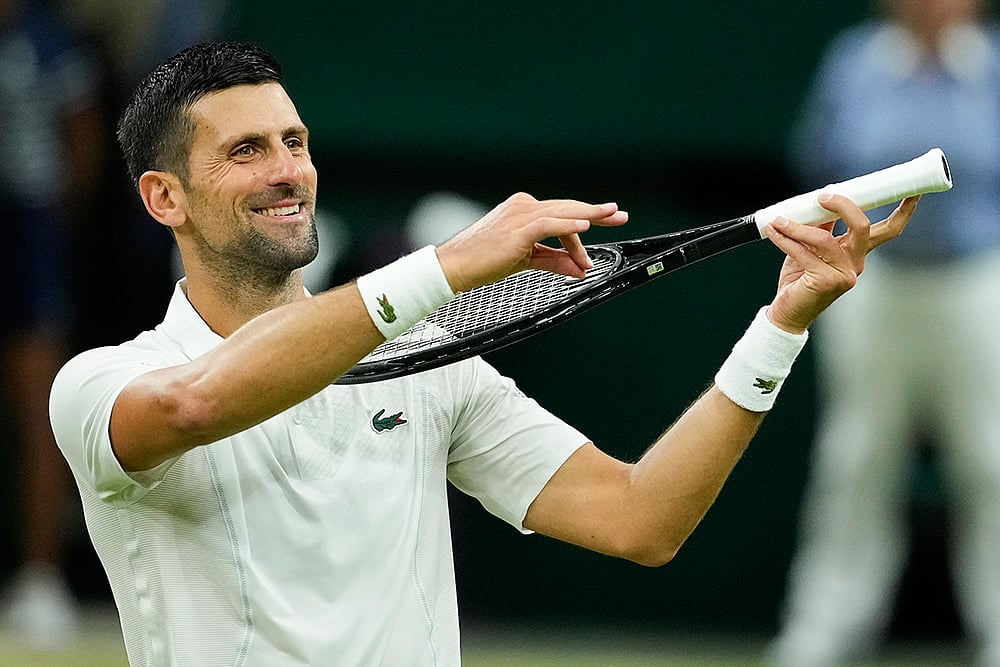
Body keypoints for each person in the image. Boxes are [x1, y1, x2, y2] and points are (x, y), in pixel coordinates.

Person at [48, 41, 916, 666]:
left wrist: (781, 326)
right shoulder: (102, 384)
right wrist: (447, 266)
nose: (287, 170)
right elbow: (197, 404)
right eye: (247, 150)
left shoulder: (433, 368)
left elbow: (640, 517)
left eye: (295, 142)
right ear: (165, 197)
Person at [768, 1, 1000, 665]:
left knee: (991, 459)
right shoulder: (854, 63)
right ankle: (822, 635)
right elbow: (819, 162)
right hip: (873, 288)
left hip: (978, 285)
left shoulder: (993, 67)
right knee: (857, 457)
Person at [0, 0, 109, 649]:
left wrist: (54, 214)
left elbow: (84, 134)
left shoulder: (48, 38)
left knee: (38, 403)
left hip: (29, 228)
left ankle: (41, 579)